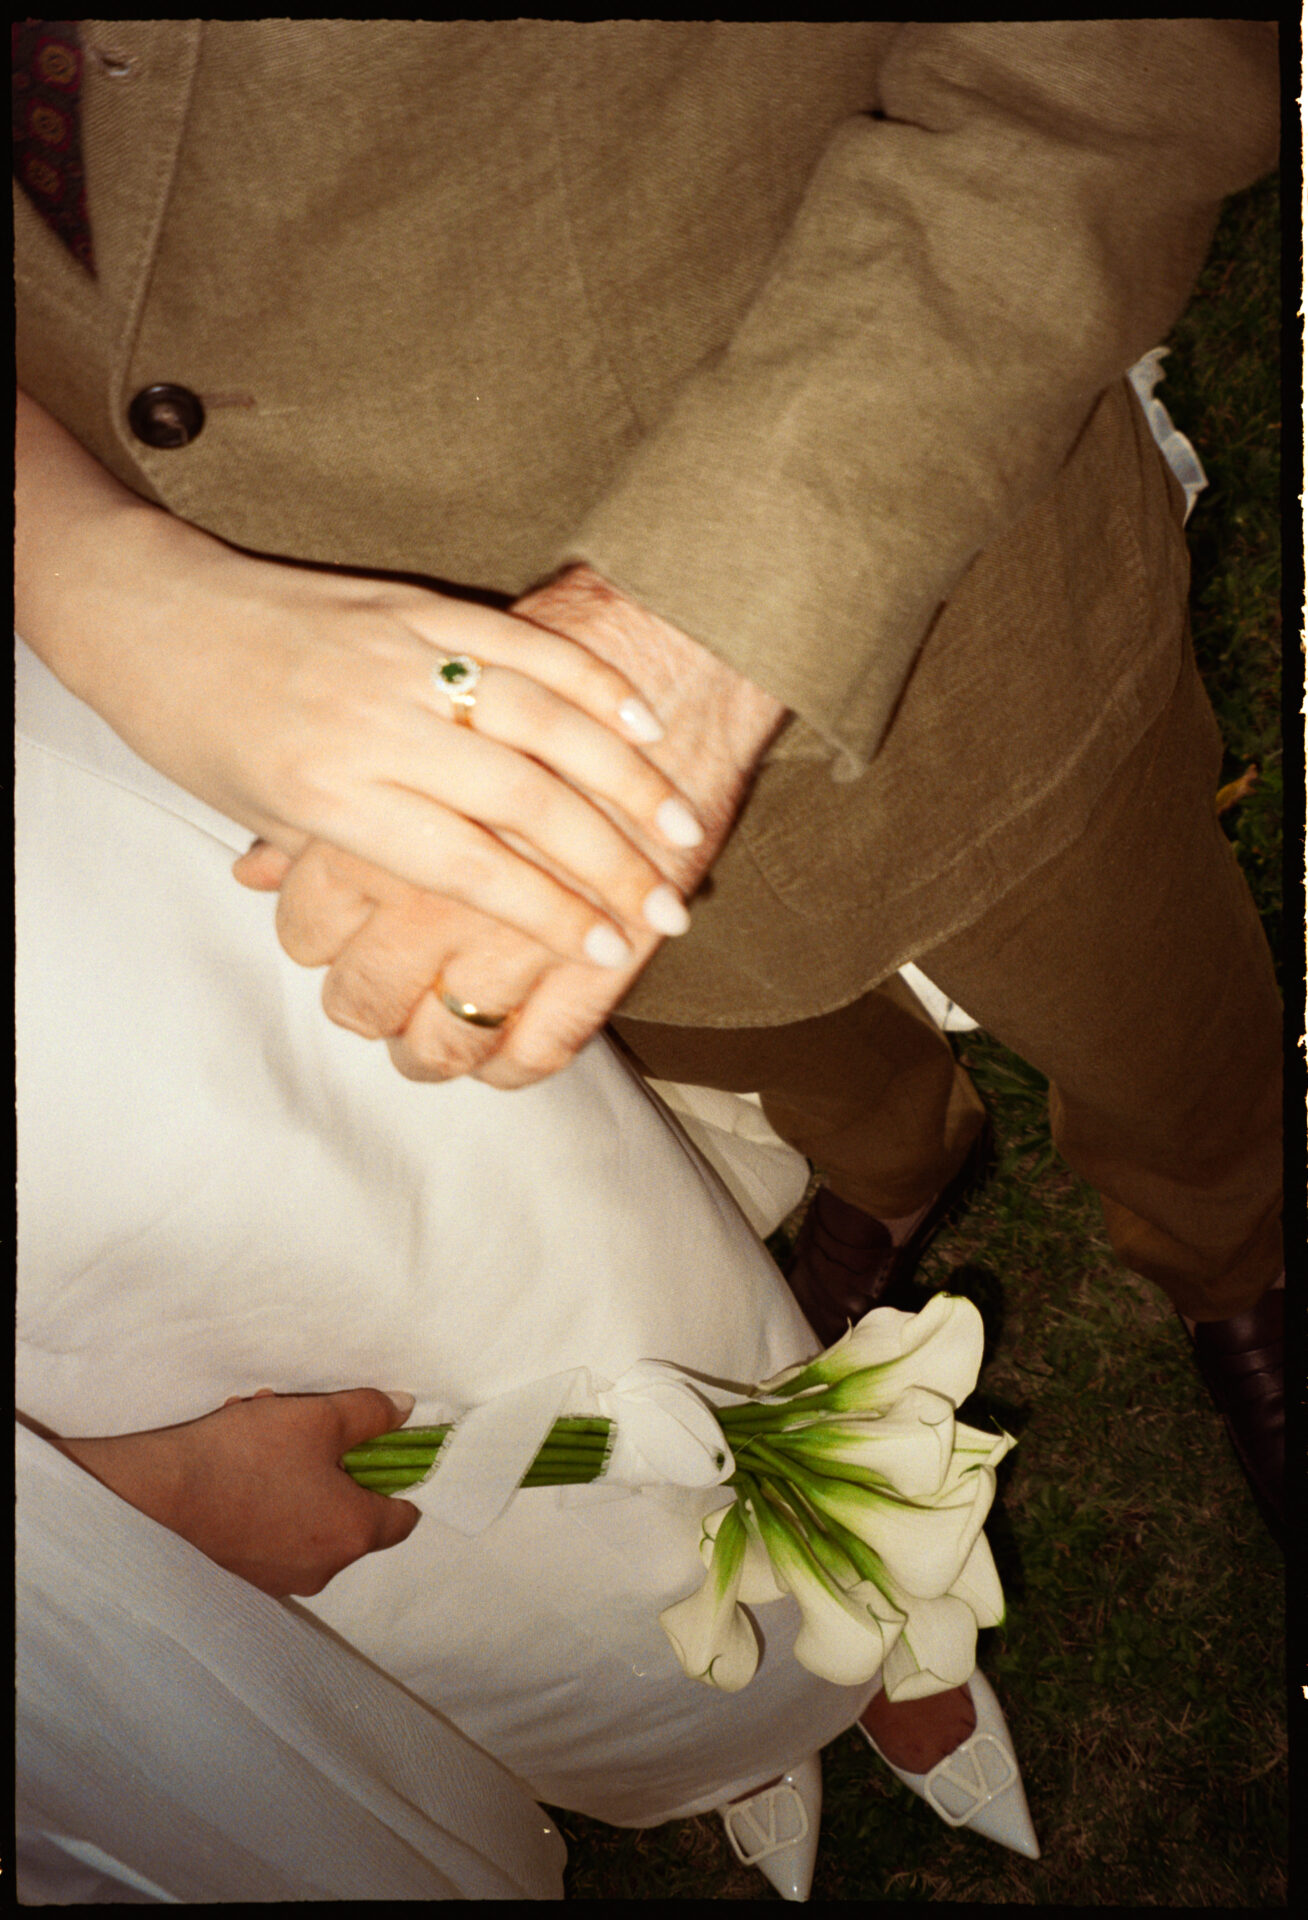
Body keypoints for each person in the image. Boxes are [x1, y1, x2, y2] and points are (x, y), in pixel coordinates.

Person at [12, 17, 1280, 1876]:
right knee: (780, 1062)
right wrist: (87, 566)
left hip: (920, 612)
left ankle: (1231, 1263)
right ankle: (897, 1161)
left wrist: (679, 640)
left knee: (1160, 1047)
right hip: (301, 801)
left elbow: (1104, 73)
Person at [15, 628, 1039, 1900]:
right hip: (69, 1389)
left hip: (110, 981)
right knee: (421, 1607)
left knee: (580, 1305)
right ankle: (709, 1748)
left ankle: (868, 1633)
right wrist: (149, 1505)